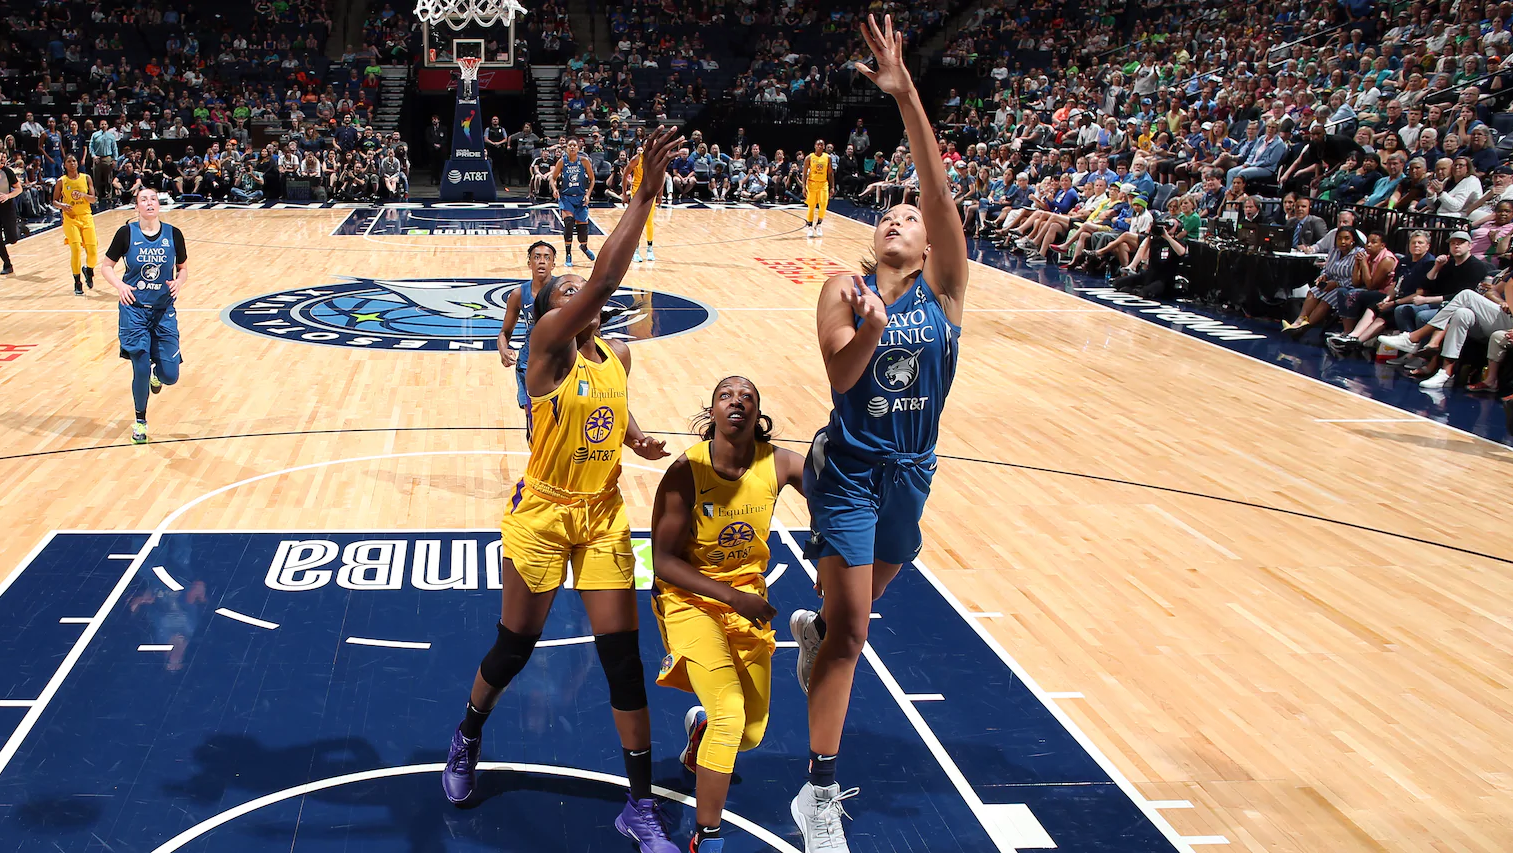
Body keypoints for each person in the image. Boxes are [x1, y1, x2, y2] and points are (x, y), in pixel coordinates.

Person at [440, 126, 683, 852]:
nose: (581, 293)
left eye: (582, 288)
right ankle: (466, 733)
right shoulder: (547, 345)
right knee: (515, 644)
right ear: (554, 307)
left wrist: (633, 435)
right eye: (567, 289)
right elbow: (604, 280)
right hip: (543, 511)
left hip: (603, 513)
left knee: (622, 657)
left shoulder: (616, 353)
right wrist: (641, 195)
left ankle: (638, 805)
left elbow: (608, 403)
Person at [788, 17, 968, 852]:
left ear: (929, 240)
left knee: (845, 623)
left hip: (913, 472)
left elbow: (935, 187)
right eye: (887, 213)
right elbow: (840, 377)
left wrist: (907, 98)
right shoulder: (841, 284)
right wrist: (872, 320)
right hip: (853, 469)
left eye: (910, 214)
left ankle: (817, 639)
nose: (900, 217)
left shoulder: (947, 289)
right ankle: (816, 794)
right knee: (856, 632)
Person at [650, 377, 806, 853]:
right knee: (730, 714)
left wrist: (833, 556)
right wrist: (730, 596)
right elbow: (661, 560)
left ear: (757, 415)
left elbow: (833, 499)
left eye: (747, 397)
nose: (736, 401)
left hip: (745, 600)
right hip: (689, 598)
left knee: (752, 732)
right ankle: (707, 835)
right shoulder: (685, 471)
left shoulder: (777, 463)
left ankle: (700, 736)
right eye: (725, 395)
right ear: (711, 414)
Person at [98, 187, 188, 445]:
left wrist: (179, 282)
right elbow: (106, 266)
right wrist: (120, 286)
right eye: (143, 200)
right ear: (136, 207)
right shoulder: (126, 234)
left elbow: (182, 269)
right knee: (139, 365)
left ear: (158, 205)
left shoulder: (174, 234)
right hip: (134, 309)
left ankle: (157, 375)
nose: (149, 203)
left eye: (153, 199)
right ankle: (140, 421)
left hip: (163, 311)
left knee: (171, 376)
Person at [496, 241, 557, 416]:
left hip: (559, 363)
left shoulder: (563, 290)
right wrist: (503, 350)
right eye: (536, 257)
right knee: (533, 420)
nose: (541, 261)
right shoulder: (518, 294)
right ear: (529, 263)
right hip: (528, 363)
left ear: (553, 263)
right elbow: (504, 332)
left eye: (547, 257)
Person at [53, 154, 99, 294]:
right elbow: (54, 201)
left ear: (77, 163)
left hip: (86, 217)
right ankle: (77, 282)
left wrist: (83, 195)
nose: (72, 163)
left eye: (74, 161)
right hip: (70, 218)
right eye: (69, 161)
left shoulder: (86, 178)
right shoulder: (62, 181)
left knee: (92, 251)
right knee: (76, 250)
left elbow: (93, 199)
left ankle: (89, 270)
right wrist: (62, 205)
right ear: (65, 165)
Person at [551, 137, 596, 268]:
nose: (572, 147)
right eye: (569, 145)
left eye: (574, 145)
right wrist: (555, 189)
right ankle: (568, 255)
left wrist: (588, 195)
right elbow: (552, 178)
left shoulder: (584, 161)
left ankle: (584, 247)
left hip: (581, 197)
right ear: (566, 148)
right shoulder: (562, 162)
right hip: (566, 198)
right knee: (569, 223)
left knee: (582, 232)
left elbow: (592, 180)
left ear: (578, 148)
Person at [625, 143, 657, 262]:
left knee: (649, 222)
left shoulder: (655, 160)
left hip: (650, 194)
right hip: (637, 193)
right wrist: (624, 193)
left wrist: (659, 194)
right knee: (636, 223)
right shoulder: (637, 159)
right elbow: (625, 174)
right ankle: (635, 250)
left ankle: (649, 249)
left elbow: (660, 177)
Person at [803, 139, 834, 238]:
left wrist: (832, 186)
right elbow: (804, 174)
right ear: (815, 146)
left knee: (823, 204)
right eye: (818, 145)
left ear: (824, 147)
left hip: (823, 183)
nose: (820, 146)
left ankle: (819, 224)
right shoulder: (809, 158)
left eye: (822, 145)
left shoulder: (828, 158)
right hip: (812, 183)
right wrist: (804, 187)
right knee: (811, 206)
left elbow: (830, 173)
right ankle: (810, 227)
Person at [0, 151, 19, 275]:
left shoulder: (8, 172)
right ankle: (7, 264)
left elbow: (19, 188)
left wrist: (7, 196)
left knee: (12, 238)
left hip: (7, 207)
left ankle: (20, 227)